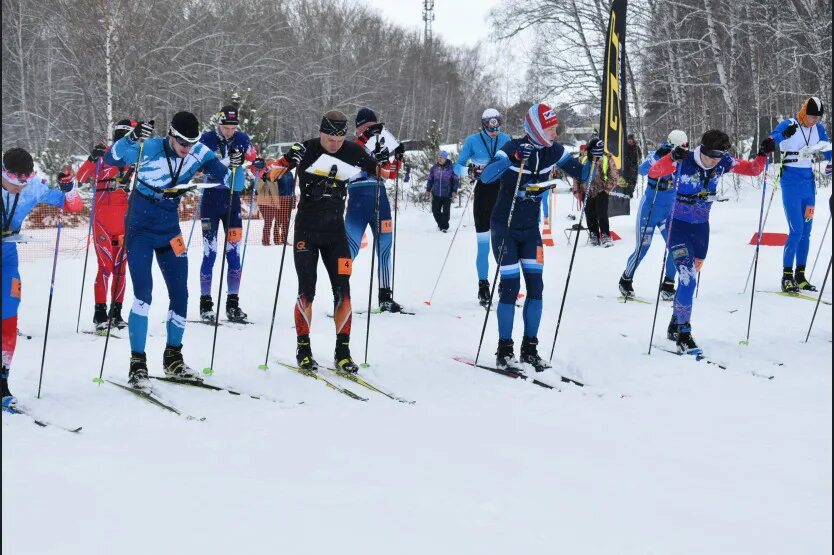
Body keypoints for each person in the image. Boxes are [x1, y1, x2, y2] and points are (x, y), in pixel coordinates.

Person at [103, 112, 243, 389]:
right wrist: (131, 137)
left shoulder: (200, 152)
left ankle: (173, 359)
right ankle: (138, 363)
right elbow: (111, 158)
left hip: (170, 230)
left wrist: (238, 167)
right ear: (171, 134)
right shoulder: (151, 147)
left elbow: (235, 186)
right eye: (181, 142)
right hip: (140, 228)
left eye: (190, 143)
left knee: (181, 294)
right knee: (143, 294)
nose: (186, 148)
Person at [265, 110, 396, 373]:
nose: (334, 145)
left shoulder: (352, 151)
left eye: (338, 140)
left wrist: (385, 161)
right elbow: (270, 176)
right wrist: (289, 158)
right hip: (306, 231)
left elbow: (387, 175)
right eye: (329, 140)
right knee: (307, 290)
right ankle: (303, 349)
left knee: (343, 290)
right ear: (321, 133)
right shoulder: (307, 148)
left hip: (335, 232)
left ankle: (343, 352)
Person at [480, 103, 587, 372]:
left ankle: (530, 348)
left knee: (536, 288)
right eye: (550, 128)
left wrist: (595, 156)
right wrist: (513, 157)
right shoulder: (512, 147)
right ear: (537, 129)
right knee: (510, 287)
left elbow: (585, 174)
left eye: (555, 128)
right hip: (504, 227)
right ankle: (504, 350)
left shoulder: (554, 151)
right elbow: (487, 177)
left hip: (530, 230)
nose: (554, 132)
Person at [649, 129, 772, 355]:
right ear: (702, 150)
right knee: (687, 279)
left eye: (718, 157)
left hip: (701, 229)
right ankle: (684, 333)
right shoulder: (683, 160)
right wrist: (669, 158)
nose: (714, 161)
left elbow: (752, 170)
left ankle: (675, 322)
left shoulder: (723, 161)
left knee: (691, 278)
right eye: (711, 156)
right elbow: (654, 172)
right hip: (677, 226)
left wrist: (763, 154)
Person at [2, 148, 83, 410]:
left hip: (7, 255)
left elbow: (74, 206)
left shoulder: (32, 187)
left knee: (9, 313)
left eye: (26, 182)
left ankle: (2, 383)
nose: (20, 188)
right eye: (16, 183)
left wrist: (68, 188)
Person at [197, 105, 261, 323]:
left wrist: (258, 164)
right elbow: (200, 166)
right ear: (219, 124)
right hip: (211, 201)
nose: (230, 131)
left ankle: (232, 303)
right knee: (210, 252)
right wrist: (225, 162)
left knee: (234, 253)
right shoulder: (207, 139)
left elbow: (253, 157)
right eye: (226, 127)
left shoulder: (242, 138)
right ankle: (205, 304)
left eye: (233, 127)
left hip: (232, 200)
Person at [75, 119, 136, 331]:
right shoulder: (104, 154)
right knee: (105, 267)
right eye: (122, 135)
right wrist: (93, 158)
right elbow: (81, 177)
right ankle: (100, 313)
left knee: (120, 267)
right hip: (102, 220)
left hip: (123, 220)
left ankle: (116, 312)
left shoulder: (133, 159)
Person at [343, 108, 405, 313]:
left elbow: (391, 175)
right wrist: (366, 139)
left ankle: (385, 296)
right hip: (358, 198)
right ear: (359, 127)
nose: (370, 130)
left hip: (380, 196)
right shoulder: (351, 145)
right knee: (349, 249)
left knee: (385, 247)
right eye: (366, 127)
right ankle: (340, 293)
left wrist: (398, 158)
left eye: (373, 126)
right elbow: (348, 164)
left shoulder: (380, 143)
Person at [769, 97, 831, 293]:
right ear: (804, 112)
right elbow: (772, 139)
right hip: (791, 182)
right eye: (812, 116)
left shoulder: (818, 129)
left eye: (817, 118)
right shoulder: (791, 124)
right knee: (796, 230)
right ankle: (786, 276)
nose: (814, 121)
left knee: (806, 232)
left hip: (808, 183)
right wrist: (782, 135)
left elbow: (828, 148)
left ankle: (800, 275)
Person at [618, 129, 688, 300]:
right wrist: (660, 156)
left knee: (676, 248)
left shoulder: (684, 159)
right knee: (643, 247)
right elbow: (642, 171)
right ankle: (626, 280)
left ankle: (668, 284)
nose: (684, 150)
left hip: (668, 210)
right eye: (681, 147)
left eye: (686, 146)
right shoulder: (657, 154)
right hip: (649, 208)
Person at [454, 108, 512, 307]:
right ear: (484, 125)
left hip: (503, 192)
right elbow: (457, 166)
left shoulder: (506, 138)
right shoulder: (472, 140)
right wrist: (470, 170)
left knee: (504, 242)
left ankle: (505, 281)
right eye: (490, 127)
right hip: (483, 193)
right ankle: (483, 285)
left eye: (497, 127)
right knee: (484, 244)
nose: (494, 131)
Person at [574, 137, 619, 247]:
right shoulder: (583, 159)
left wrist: (606, 189)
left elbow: (614, 176)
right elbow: (577, 175)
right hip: (587, 190)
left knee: (602, 214)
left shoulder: (606, 158)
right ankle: (593, 234)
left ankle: (605, 235)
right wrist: (576, 189)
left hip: (601, 191)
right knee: (589, 214)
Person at [256, 163, 295, 245]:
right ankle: (276, 239)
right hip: (278, 199)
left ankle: (284, 239)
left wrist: (293, 199)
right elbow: (271, 185)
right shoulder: (277, 172)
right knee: (277, 221)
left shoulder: (290, 173)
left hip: (288, 199)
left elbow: (292, 187)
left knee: (285, 221)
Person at [424, 149, 458, 231]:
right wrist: (428, 190)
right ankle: (441, 225)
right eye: (439, 157)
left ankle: (444, 228)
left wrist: (454, 191)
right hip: (436, 193)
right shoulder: (434, 168)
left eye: (441, 157)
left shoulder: (451, 168)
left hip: (447, 193)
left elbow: (455, 180)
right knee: (435, 211)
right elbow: (430, 179)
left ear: (445, 158)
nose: (439, 159)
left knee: (446, 212)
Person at [622, 133, 642, 197]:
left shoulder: (636, 147)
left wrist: (638, 160)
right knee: (626, 180)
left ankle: (630, 193)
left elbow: (640, 155)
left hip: (634, 167)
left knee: (633, 181)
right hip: (626, 167)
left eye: (631, 140)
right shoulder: (625, 147)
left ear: (633, 140)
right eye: (629, 140)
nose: (630, 141)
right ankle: (626, 193)